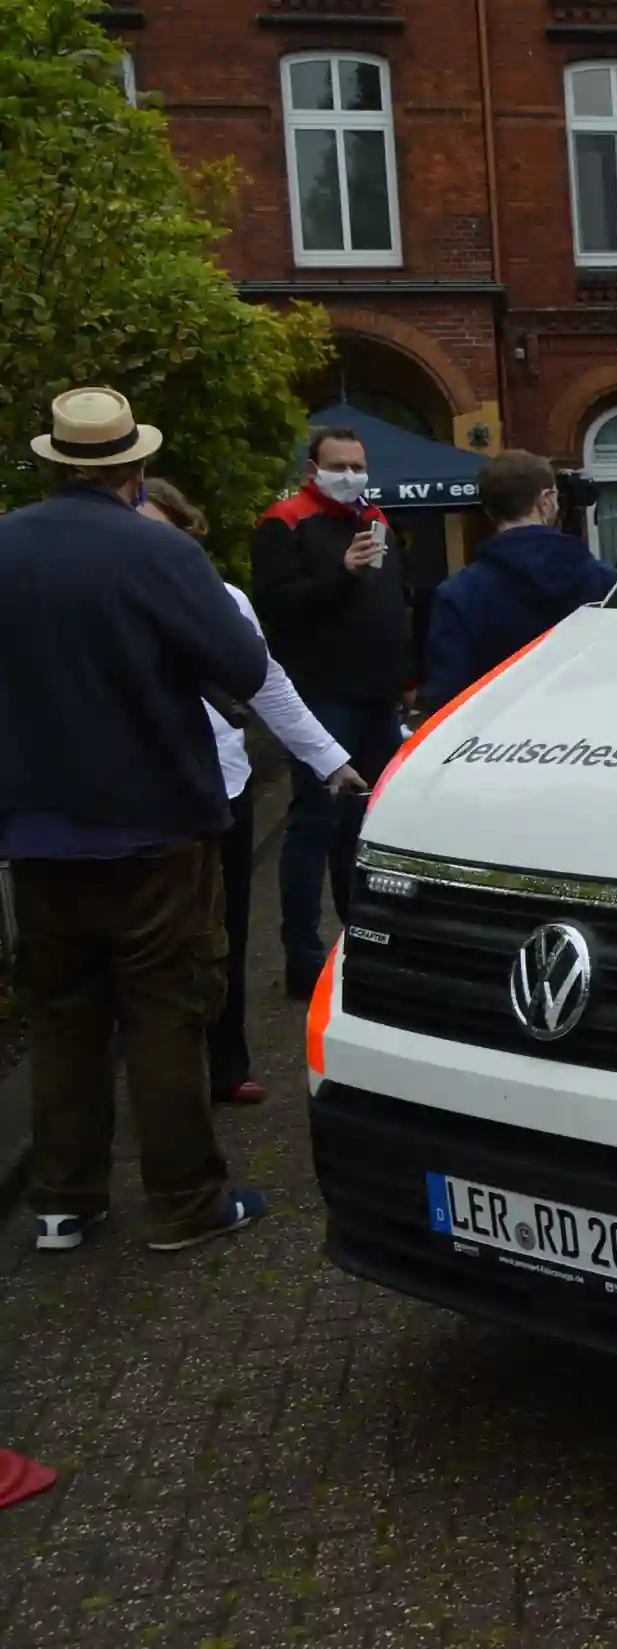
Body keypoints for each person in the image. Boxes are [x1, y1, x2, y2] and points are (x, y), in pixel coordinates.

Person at [0, 388, 276, 1253]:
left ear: (53, 463)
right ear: (137, 467)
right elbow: (243, 663)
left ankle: (63, 1201)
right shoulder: (160, 551)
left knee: (61, 1014)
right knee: (164, 1010)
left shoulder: (6, 545)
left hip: (35, 828)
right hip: (156, 823)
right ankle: (186, 1201)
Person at [138, 479, 365, 1106]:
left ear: (186, 535)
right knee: (154, 943)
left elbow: (269, 683)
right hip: (142, 794)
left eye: (159, 530)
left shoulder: (223, 600)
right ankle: (162, 1072)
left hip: (223, 784)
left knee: (227, 929)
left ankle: (226, 1059)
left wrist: (328, 759)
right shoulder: (107, 599)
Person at [250, 425, 410, 1001]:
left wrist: (405, 676)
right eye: (338, 466)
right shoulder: (285, 522)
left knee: (365, 825)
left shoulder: (375, 518)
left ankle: (361, 939)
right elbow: (277, 607)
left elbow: (394, 600)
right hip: (321, 696)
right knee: (316, 821)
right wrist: (340, 574)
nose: (350, 475)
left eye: (358, 465)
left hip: (377, 695)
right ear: (312, 470)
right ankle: (303, 954)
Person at [421, 450, 617, 711]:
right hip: (591, 725)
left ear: (489, 510)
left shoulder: (459, 593)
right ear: (546, 500)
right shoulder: (606, 582)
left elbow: (447, 699)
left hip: (499, 731)